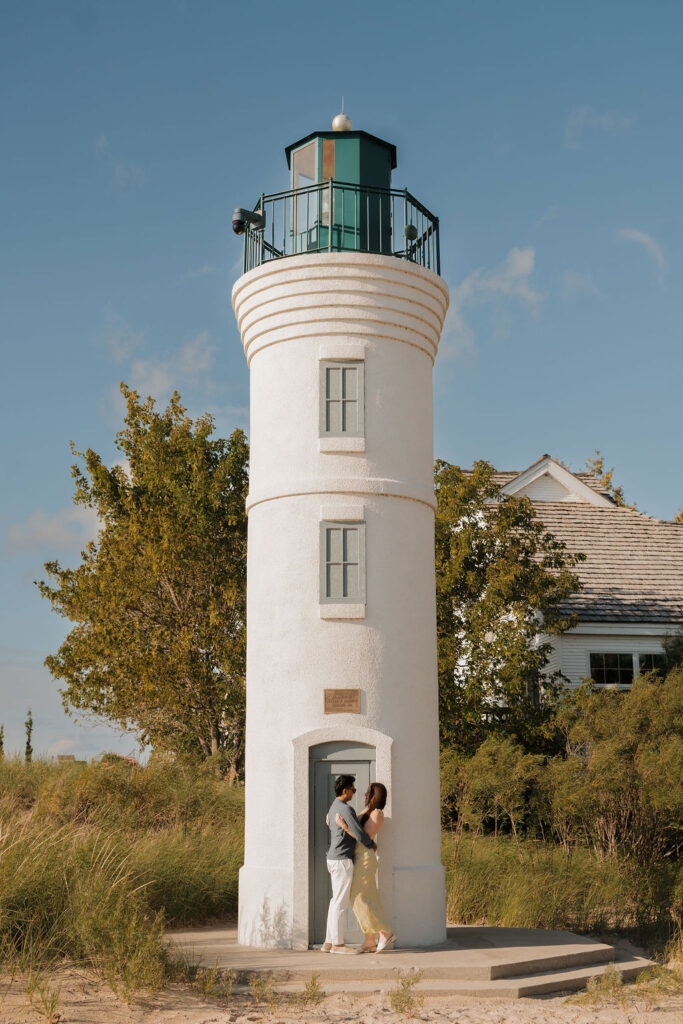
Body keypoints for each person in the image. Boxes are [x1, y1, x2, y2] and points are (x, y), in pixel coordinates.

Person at [335, 781, 395, 952]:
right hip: (358, 858)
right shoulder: (366, 812)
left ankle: (385, 932)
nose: (365, 794)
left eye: (369, 791)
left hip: (365, 860)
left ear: (376, 796)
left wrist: (344, 826)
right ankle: (369, 939)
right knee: (368, 898)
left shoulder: (377, 814)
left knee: (358, 897)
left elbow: (363, 837)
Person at [322, 774, 377, 954]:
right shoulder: (346, 809)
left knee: (335, 900)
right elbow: (359, 833)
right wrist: (372, 844)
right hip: (342, 860)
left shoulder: (333, 807)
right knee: (340, 902)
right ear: (345, 790)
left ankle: (329, 942)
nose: (355, 791)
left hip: (333, 858)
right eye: (353, 789)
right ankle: (337, 945)